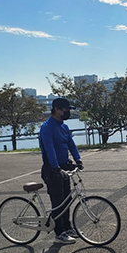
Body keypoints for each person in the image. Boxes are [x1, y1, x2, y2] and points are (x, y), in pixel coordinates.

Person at [39, 98, 83, 245]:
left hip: (63, 166)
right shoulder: (47, 127)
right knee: (58, 202)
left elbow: (71, 143)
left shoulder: (63, 127)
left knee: (67, 199)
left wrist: (78, 159)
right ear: (57, 109)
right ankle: (59, 234)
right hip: (52, 169)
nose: (68, 112)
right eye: (66, 110)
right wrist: (55, 166)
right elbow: (49, 149)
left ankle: (67, 227)